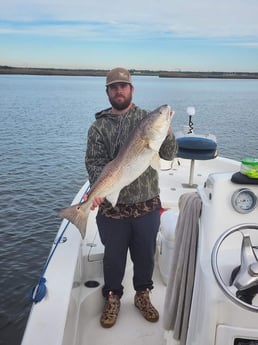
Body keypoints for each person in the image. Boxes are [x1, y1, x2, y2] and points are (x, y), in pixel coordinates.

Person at [85, 67, 177, 328]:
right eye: (113, 87)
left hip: (147, 205)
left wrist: (167, 132)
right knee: (113, 258)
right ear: (107, 92)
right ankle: (112, 298)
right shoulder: (98, 127)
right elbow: (93, 163)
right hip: (113, 210)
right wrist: (98, 190)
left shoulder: (148, 121)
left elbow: (168, 155)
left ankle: (143, 295)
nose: (118, 91)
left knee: (146, 256)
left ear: (131, 89)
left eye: (123, 86)